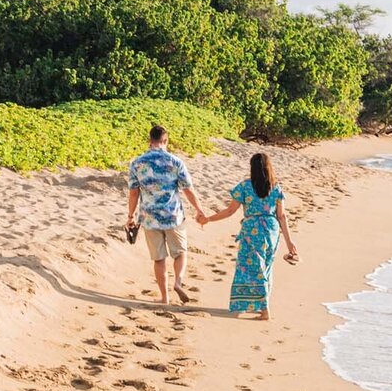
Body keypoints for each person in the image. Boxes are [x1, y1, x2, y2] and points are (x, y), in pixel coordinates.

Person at [202, 152, 297, 320]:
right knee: (265, 267)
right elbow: (282, 216)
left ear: (252, 167)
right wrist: (290, 242)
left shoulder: (245, 186)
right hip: (271, 229)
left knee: (250, 268)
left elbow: (230, 211)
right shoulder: (276, 187)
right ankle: (257, 305)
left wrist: (209, 219)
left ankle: (262, 308)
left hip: (252, 229)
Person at [126, 124, 208, 306]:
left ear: (150, 141)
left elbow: (133, 193)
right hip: (173, 216)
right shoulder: (175, 162)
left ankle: (164, 298)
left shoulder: (137, 163)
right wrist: (199, 210)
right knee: (180, 253)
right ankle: (178, 281)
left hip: (149, 217)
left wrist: (130, 216)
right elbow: (188, 189)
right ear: (165, 141)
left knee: (159, 258)